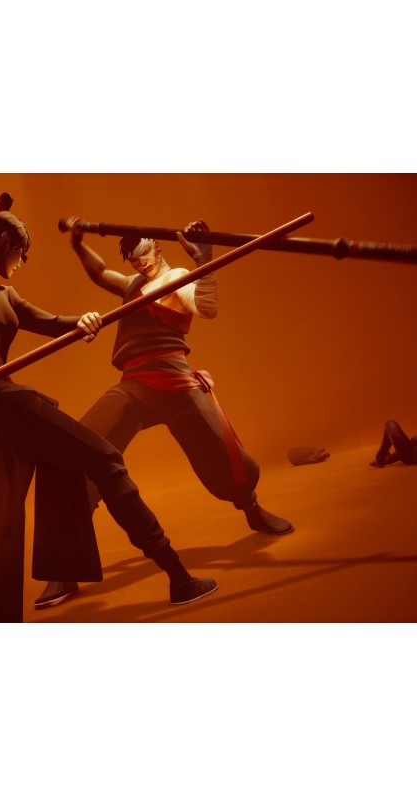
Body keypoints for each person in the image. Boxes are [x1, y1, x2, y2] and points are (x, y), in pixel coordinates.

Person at [0, 194, 217, 623]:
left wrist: (83, 321)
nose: (24, 261)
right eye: (22, 253)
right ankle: (178, 576)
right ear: (4, 242)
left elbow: (51, 323)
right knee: (98, 461)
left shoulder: (7, 295)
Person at [34, 216, 293, 610]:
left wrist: (204, 259)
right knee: (80, 454)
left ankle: (251, 507)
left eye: (144, 254)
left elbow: (207, 308)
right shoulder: (133, 284)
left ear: (156, 246)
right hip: (135, 384)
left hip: (174, 381)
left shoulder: (180, 278)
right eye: (133, 259)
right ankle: (66, 567)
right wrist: (77, 244)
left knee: (224, 454)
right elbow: (100, 273)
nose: (141, 263)